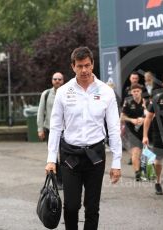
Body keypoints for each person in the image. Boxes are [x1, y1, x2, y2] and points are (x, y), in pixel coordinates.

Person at [44, 46, 122, 230]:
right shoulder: (63, 91)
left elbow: (113, 128)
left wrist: (117, 162)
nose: (84, 70)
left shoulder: (106, 91)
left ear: (93, 64)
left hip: (95, 154)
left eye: (87, 65)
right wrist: (50, 159)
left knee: (92, 207)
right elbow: (55, 127)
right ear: (73, 67)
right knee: (71, 206)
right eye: (80, 66)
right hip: (70, 155)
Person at [37, 72, 64, 188]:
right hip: (49, 129)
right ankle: (57, 180)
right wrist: (40, 129)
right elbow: (40, 112)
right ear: (52, 80)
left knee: (64, 156)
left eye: (59, 79)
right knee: (53, 155)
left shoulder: (67, 93)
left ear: (63, 81)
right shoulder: (46, 94)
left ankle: (65, 179)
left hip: (65, 130)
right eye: (55, 79)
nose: (57, 81)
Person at [121, 83, 146, 181]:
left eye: (138, 91)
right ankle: (137, 173)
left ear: (141, 92)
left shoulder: (145, 102)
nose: (136, 93)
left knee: (144, 152)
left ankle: (145, 170)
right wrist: (132, 120)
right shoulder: (128, 102)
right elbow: (122, 117)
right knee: (136, 151)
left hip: (144, 130)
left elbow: (150, 115)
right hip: (132, 131)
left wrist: (144, 119)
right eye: (134, 91)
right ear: (131, 92)